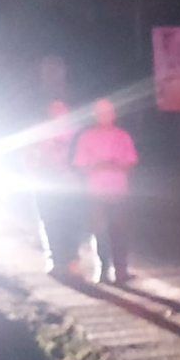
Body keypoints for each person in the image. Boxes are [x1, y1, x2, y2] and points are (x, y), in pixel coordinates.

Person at [73, 98, 138, 284]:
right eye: (101, 113)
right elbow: (80, 165)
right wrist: (97, 166)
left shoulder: (122, 136)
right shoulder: (87, 137)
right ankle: (103, 269)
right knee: (100, 232)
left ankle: (121, 270)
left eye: (108, 112)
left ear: (113, 114)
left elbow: (131, 161)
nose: (105, 116)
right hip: (96, 192)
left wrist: (115, 164)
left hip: (118, 191)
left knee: (119, 231)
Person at [26, 99, 82, 277]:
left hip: (69, 183)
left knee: (71, 222)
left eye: (61, 109)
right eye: (54, 109)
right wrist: (33, 172)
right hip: (46, 183)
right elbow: (29, 155)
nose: (58, 113)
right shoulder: (41, 131)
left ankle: (72, 261)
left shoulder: (75, 132)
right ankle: (56, 261)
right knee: (51, 222)